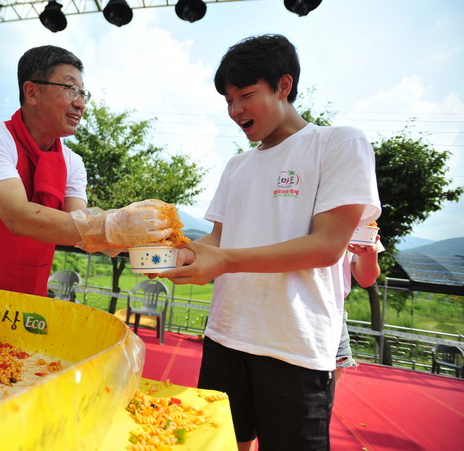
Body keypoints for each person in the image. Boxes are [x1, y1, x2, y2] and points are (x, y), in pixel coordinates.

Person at [158, 34, 381, 450]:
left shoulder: (338, 143)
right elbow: (216, 240)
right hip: (225, 334)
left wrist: (224, 261)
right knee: (223, 444)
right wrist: (166, 252)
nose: (235, 110)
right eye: (228, 100)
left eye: (245, 95)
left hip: (296, 345)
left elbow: (327, 246)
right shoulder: (237, 166)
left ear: (283, 85)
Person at [0, 45, 173, 296]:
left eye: (83, 93)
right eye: (71, 89)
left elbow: (81, 229)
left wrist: (144, 240)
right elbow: (17, 216)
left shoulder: (73, 162)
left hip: (29, 301)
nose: (80, 104)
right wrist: (113, 227)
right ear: (32, 92)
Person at [336, 236, 383, 384]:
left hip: (332, 313)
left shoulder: (359, 222)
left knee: (323, 394)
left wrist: (370, 253)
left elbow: (366, 279)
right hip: (279, 305)